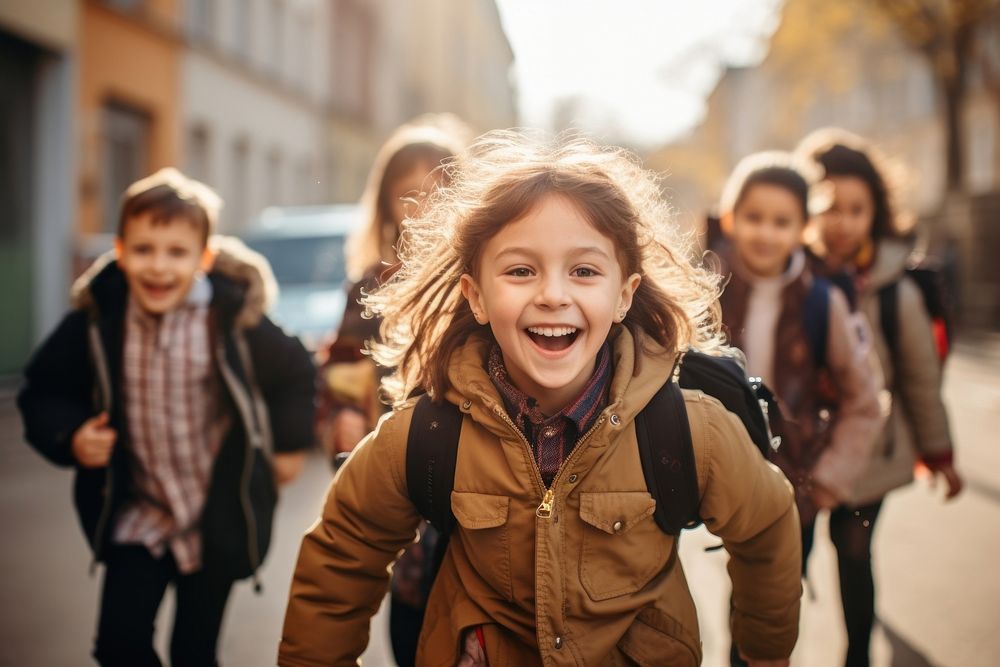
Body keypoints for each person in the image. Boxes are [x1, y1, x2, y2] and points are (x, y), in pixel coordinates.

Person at [279, 131, 802, 666]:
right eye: (521, 270)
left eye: (584, 271)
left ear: (623, 295)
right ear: (476, 296)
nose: (553, 294)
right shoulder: (426, 435)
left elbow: (766, 524)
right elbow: (341, 557)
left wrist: (763, 654)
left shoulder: (688, 429)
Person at [17, 168, 315, 666]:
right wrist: (69, 435)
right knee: (118, 646)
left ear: (203, 258)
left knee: (193, 653)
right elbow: (43, 391)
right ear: (119, 250)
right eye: (143, 250)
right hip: (140, 515)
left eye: (176, 253)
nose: (158, 267)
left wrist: (287, 447)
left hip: (214, 518)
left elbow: (296, 370)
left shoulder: (230, 320)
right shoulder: (99, 321)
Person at [796, 129, 963, 667]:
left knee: (854, 554)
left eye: (856, 208)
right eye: (829, 207)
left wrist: (938, 453)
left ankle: (859, 657)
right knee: (779, 568)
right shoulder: (786, 277)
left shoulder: (896, 289)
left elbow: (920, 380)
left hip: (871, 456)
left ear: (876, 213)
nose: (841, 222)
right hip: (795, 456)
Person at [715, 152, 885, 665]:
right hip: (726, 479)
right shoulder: (706, 288)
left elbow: (865, 399)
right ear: (731, 218)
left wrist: (828, 480)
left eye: (782, 221)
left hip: (796, 487)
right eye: (754, 218)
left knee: (774, 602)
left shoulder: (822, 301)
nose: (766, 233)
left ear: (803, 228)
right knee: (738, 597)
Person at [314, 115, 467, 667]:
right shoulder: (370, 289)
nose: (423, 209)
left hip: (475, 473)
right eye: (408, 196)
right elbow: (341, 370)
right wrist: (340, 417)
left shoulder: (486, 281)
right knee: (412, 621)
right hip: (400, 474)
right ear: (384, 206)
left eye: (439, 194)